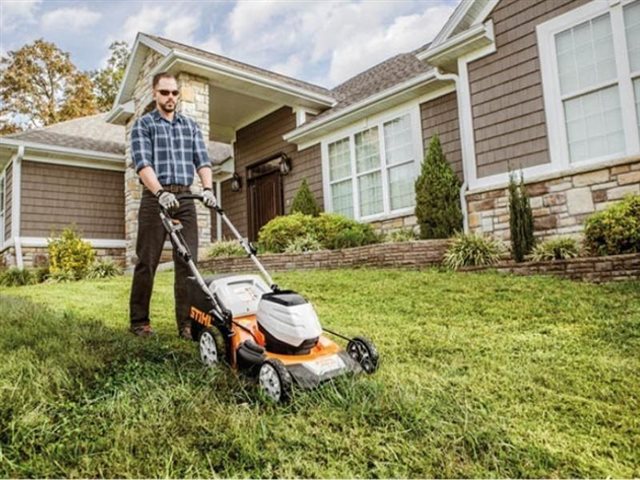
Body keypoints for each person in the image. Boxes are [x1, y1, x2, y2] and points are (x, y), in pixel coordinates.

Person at [129, 71, 216, 339]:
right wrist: (159, 193)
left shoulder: (190, 126)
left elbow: (202, 160)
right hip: (155, 199)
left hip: (186, 198)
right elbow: (143, 164)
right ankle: (139, 321)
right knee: (147, 261)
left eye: (174, 92)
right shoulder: (144, 125)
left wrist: (208, 188)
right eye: (164, 92)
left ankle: (187, 324)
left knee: (188, 263)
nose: (170, 97)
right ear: (155, 94)